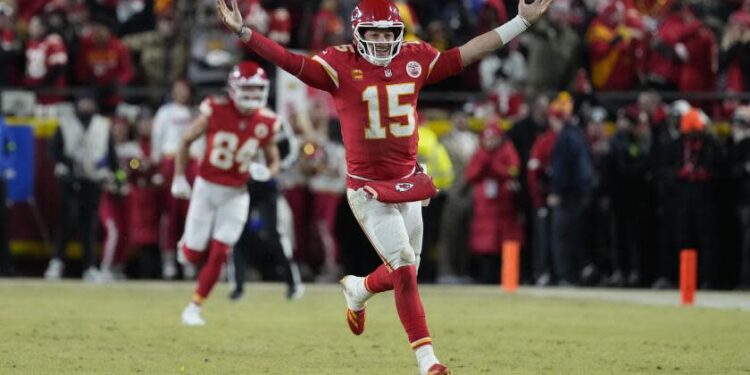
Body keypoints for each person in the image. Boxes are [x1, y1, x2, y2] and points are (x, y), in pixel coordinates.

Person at [217, 0, 552, 373]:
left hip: (408, 180)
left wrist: (520, 22)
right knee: (405, 267)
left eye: (388, 33)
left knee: (404, 270)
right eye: (373, 33)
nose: (380, 41)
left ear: (399, 34)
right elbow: (291, 61)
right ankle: (428, 361)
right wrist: (245, 33)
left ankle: (358, 289)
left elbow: (469, 52)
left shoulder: (415, 57)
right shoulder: (339, 64)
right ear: (358, 34)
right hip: (368, 187)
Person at [173, 61, 281, 326]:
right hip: (207, 187)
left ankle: (194, 306)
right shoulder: (216, 109)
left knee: (221, 251)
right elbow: (186, 139)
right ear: (234, 88)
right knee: (192, 255)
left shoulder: (266, 121)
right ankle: (186, 247)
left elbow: (274, 160)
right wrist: (178, 176)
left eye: (258, 89)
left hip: (237, 192)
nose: (254, 95)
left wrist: (267, 173)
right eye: (248, 88)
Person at [44, 93, 120, 281]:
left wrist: (118, 176)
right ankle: (57, 262)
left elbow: (111, 154)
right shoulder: (66, 123)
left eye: (89, 101)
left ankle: (90, 266)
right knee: (67, 220)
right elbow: (53, 150)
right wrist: (66, 164)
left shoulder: (103, 124)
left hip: (93, 179)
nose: (86, 105)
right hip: (69, 180)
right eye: (83, 101)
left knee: (90, 224)